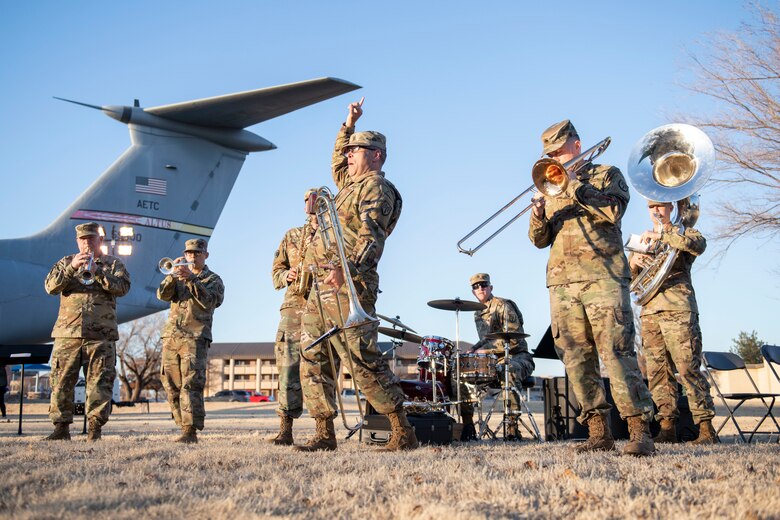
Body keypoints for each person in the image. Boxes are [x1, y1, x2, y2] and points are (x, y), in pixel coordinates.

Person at [528, 120, 655, 456]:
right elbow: (539, 240)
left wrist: (573, 186)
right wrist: (539, 214)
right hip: (562, 282)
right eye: (549, 154)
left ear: (577, 144)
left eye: (558, 151)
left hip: (603, 277)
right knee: (574, 356)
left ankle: (639, 430)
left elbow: (613, 211)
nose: (554, 158)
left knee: (616, 352)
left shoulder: (606, 174)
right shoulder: (548, 186)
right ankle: (599, 431)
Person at [297, 98, 417, 451]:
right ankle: (323, 432)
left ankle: (402, 428)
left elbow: (371, 238)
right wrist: (348, 124)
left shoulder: (376, 188)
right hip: (320, 286)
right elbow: (336, 158)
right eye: (348, 151)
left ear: (377, 155)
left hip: (349, 284)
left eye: (357, 151)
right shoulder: (347, 184)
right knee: (313, 355)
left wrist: (345, 272)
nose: (348, 156)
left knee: (362, 358)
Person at [629, 200, 717, 444]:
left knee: (688, 369)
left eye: (661, 206)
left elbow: (698, 246)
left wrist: (665, 234)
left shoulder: (684, 231)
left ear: (672, 208)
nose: (656, 211)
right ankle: (667, 426)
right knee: (658, 373)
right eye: (651, 207)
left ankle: (706, 428)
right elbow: (630, 284)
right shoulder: (642, 240)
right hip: (649, 313)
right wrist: (633, 264)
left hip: (679, 308)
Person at [44, 221, 131, 441]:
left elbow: (122, 288)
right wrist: (72, 268)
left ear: (100, 240)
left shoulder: (113, 264)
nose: (87, 243)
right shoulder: (66, 262)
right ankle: (61, 428)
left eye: (91, 238)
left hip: (101, 336)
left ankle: (95, 429)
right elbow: (50, 287)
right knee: (61, 382)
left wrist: (98, 273)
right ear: (77, 241)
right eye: (83, 239)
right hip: (68, 334)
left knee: (100, 383)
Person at [158, 238, 224, 443]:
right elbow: (162, 295)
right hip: (171, 336)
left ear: (205, 255)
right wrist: (172, 275)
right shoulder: (177, 275)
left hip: (195, 337)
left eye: (197, 253)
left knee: (191, 383)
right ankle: (181, 424)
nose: (192, 257)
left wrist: (192, 281)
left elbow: (211, 302)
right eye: (189, 253)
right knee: (170, 384)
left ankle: (190, 430)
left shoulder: (213, 279)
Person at [457, 273, 535, 441]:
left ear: (491, 287)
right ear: (473, 292)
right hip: (492, 361)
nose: (480, 288)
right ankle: (468, 425)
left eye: (484, 285)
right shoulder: (477, 312)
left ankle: (512, 427)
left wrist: (485, 351)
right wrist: (472, 350)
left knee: (509, 370)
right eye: (476, 286)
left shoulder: (503, 305)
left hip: (518, 357)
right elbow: (486, 339)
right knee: (462, 373)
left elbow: (513, 338)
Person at [268, 189, 319, 445]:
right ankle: (285, 429)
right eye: (308, 201)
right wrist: (285, 276)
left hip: (323, 307)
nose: (311, 205)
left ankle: (323, 429)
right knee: (287, 367)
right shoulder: (292, 235)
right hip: (293, 307)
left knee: (319, 369)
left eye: (317, 201)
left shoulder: (335, 235)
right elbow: (276, 269)